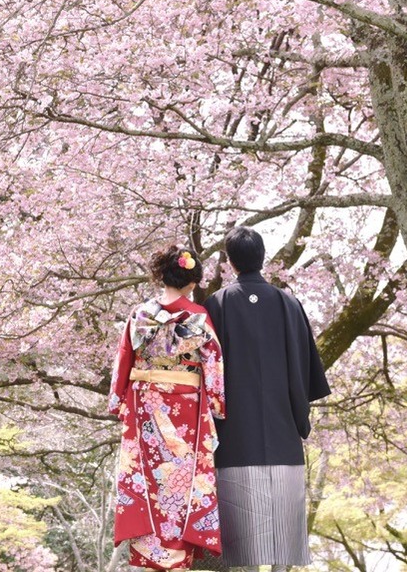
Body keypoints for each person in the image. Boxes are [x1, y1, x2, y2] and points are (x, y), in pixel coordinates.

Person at [203, 226, 331, 572]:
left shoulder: (216, 304)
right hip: (283, 437)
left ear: (230, 261)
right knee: (281, 548)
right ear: (263, 256)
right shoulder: (288, 303)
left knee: (240, 548)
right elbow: (309, 373)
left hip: (234, 439)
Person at [108, 245, 226, 570]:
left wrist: (118, 400)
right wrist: (217, 403)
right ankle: (175, 560)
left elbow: (123, 360)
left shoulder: (140, 315)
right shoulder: (198, 318)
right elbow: (214, 365)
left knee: (145, 478)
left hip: (143, 404)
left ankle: (145, 559)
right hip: (185, 408)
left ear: (161, 275)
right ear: (192, 282)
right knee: (180, 480)